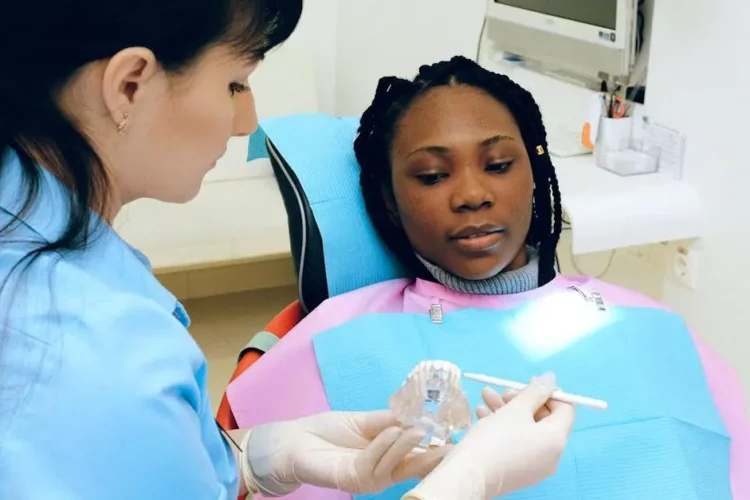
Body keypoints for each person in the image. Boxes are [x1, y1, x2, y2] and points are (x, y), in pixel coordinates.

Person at [0, 1, 575, 499]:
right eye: (235, 82)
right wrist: (463, 481)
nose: (246, 121)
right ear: (130, 85)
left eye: (499, 165)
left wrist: (250, 458)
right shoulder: (99, 353)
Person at [225, 56, 750, 499]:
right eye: (432, 175)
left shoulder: (650, 327)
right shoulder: (333, 337)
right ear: (388, 197)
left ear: (537, 173)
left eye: (498, 164)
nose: (472, 194)